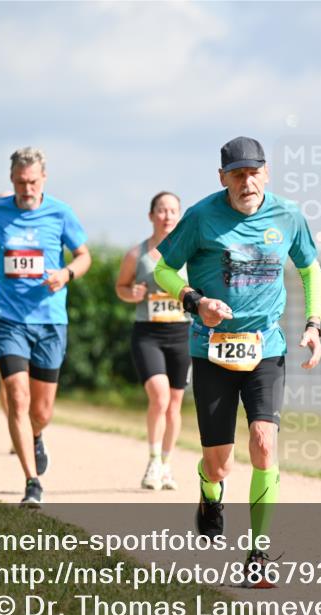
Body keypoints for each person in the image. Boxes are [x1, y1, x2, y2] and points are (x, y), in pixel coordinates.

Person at [154, 136, 321, 587]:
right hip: (211, 348)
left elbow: (310, 268)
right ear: (222, 177)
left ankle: (259, 553)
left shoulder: (288, 215)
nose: (247, 182)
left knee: (264, 442)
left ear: (266, 172)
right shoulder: (201, 216)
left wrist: (314, 323)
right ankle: (211, 496)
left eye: (254, 172)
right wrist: (195, 301)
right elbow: (163, 270)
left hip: (265, 346)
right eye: (237, 174)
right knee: (219, 464)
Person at [0, 147, 91, 507]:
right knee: (17, 396)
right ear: (11, 180)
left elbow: (84, 256)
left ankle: (36, 435)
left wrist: (66, 273)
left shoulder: (61, 213)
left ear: (43, 178)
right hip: (5, 315)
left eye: (32, 182)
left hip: (49, 319)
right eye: (19, 182)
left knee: (41, 411)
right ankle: (32, 483)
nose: (26, 188)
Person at [116, 192, 191, 491]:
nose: (167, 216)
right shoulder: (137, 254)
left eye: (173, 211)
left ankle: (168, 465)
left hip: (182, 334)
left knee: (174, 406)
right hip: (148, 333)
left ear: (179, 216)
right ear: (151, 216)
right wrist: (129, 293)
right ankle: (153, 461)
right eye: (161, 210)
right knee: (159, 398)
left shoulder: (190, 254)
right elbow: (121, 287)